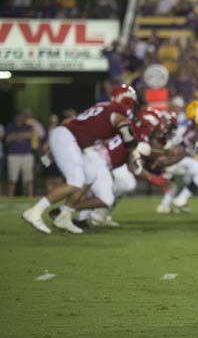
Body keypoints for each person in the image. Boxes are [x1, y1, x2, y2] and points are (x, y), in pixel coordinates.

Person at [21, 85, 139, 234]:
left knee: (90, 175)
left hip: (70, 140)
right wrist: (134, 151)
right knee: (75, 182)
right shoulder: (116, 113)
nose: (129, 108)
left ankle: (64, 214)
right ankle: (35, 211)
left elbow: (70, 122)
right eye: (128, 103)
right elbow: (126, 134)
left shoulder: (101, 107)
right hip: (68, 139)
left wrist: (52, 152)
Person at [5, 112, 36, 197]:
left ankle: (30, 197)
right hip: (13, 155)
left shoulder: (28, 126)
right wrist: (22, 135)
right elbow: (7, 139)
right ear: (15, 117)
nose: (19, 118)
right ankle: (10, 198)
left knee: (29, 179)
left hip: (27, 155)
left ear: (24, 118)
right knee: (12, 179)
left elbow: (30, 135)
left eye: (21, 117)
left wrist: (15, 136)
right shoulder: (10, 126)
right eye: (17, 117)